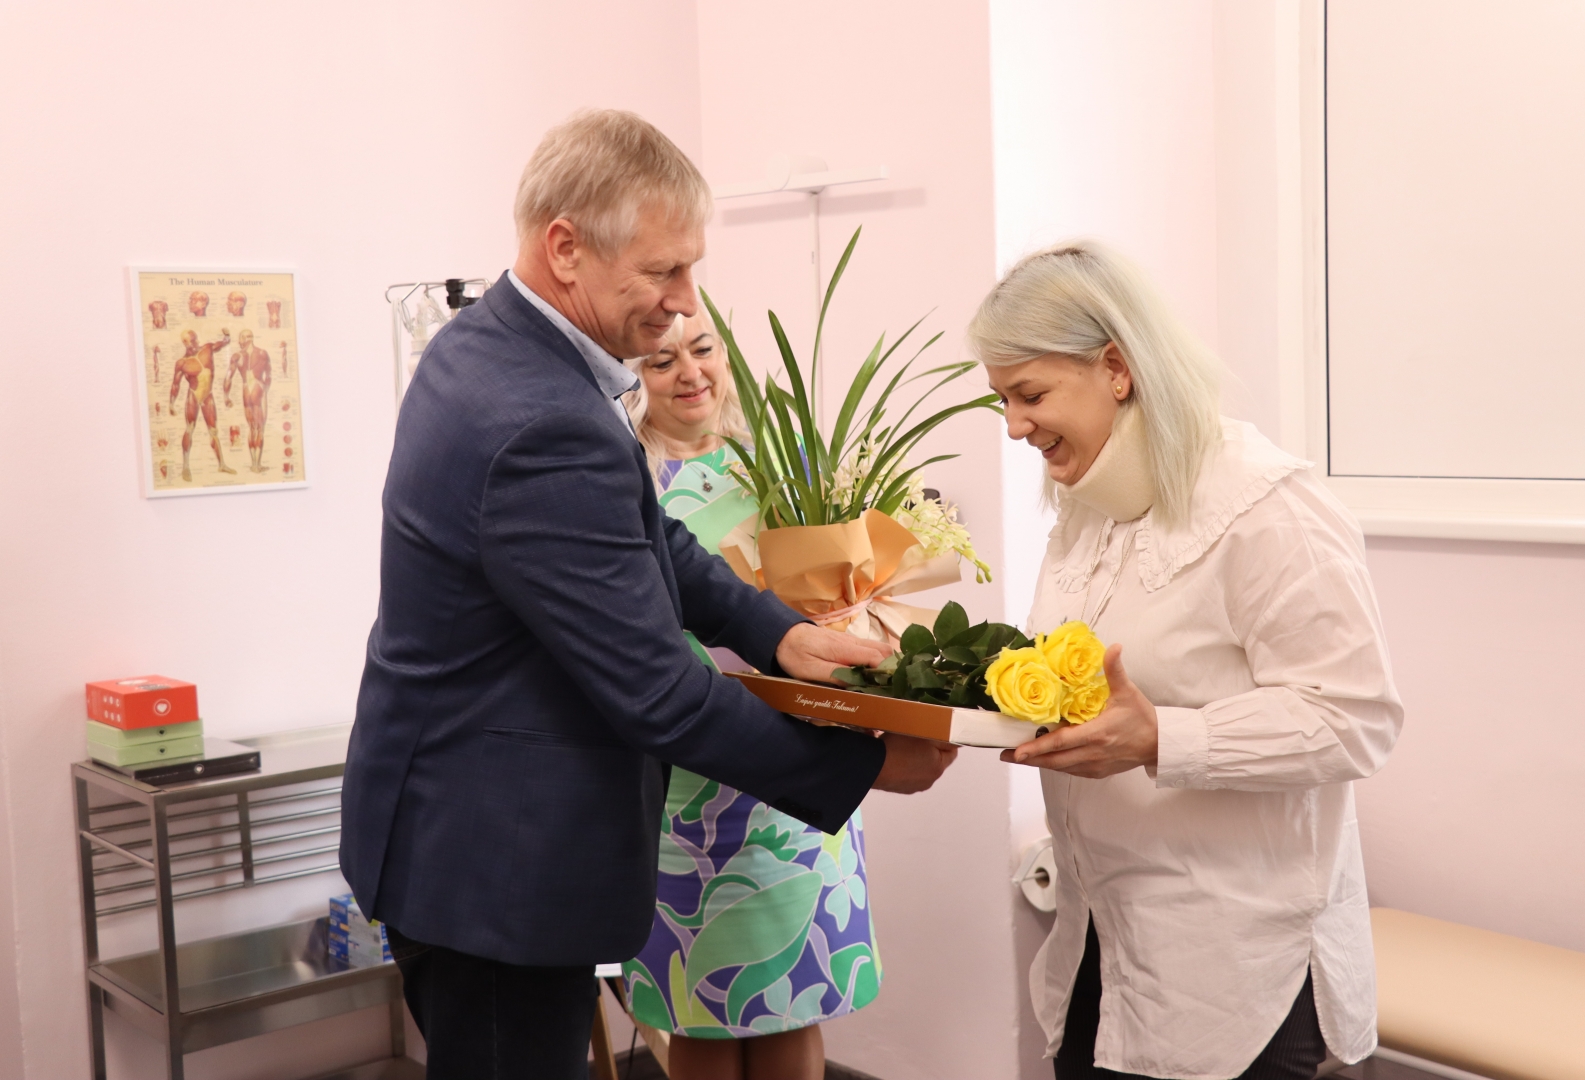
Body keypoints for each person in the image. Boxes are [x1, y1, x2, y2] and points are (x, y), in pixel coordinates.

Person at [338, 109, 957, 1080]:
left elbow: (643, 536)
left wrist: (778, 634)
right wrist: (868, 761)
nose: (683, 303)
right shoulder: (538, 417)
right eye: (663, 270)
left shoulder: (489, 348)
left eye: (690, 268)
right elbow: (660, 693)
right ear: (566, 248)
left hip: (453, 828)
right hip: (493, 868)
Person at [968, 242, 1402, 1080]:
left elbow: (1355, 719)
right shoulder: (1088, 510)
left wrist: (1162, 739)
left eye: (1030, 395)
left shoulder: (1268, 510)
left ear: (1116, 368)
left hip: (1232, 969)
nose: (1014, 426)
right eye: (1004, 400)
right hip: (1100, 938)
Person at [619, 312, 915, 1080]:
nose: (690, 373)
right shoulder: (626, 484)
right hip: (688, 789)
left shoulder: (786, 474)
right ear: (632, 377)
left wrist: (852, 619)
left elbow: (846, 590)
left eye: (703, 349)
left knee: (792, 1004)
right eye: (661, 361)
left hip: (798, 777)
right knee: (704, 1013)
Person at [168, 327, 236, 481]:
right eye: (193, 340)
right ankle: (186, 466)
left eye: (196, 338)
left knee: (214, 432)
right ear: (186, 342)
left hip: (208, 396)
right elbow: (175, 384)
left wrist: (227, 335)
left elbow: (224, 343)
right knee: (190, 429)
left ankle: (221, 464)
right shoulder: (182, 363)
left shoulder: (207, 349)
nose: (196, 341)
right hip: (193, 395)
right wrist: (171, 403)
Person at [223, 329, 272, 472]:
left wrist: (226, 397)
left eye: (240, 339)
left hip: (246, 390)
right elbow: (269, 375)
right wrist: (265, 388)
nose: (239, 342)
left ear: (246, 339)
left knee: (252, 428)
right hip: (258, 387)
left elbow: (228, 377)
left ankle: (253, 464)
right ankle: (257, 464)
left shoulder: (237, 356)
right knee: (260, 428)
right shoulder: (262, 353)